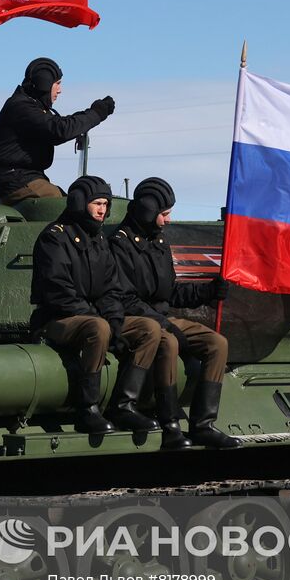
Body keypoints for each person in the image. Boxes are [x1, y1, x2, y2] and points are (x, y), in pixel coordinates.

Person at [110, 178, 241, 449]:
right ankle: (171, 425)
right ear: (148, 210)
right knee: (167, 341)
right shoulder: (120, 245)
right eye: (165, 213)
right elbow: (124, 298)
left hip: (161, 318)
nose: (168, 220)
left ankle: (203, 425)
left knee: (217, 343)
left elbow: (169, 292)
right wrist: (163, 324)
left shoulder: (157, 242)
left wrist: (208, 292)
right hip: (136, 320)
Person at [31, 175, 164, 436]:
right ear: (80, 203)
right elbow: (58, 292)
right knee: (97, 327)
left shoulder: (99, 240)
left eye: (106, 204)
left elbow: (111, 289)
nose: (102, 209)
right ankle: (87, 409)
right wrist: (99, 319)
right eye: (97, 203)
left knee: (148, 328)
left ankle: (124, 405)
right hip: (56, 319)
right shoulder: (55, 238)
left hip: (95, 317)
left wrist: (115, 322)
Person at [0, 57, 116, 206]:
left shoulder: (29, 105)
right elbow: (60, 129)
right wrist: (97, 113)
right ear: (44, 84)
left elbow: (61, 124)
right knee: (70, 208)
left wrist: (88, 116)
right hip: (17, 181)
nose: (60, 90)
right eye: (57, 84)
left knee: (74, 204)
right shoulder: (22, 107)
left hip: (22, 179)